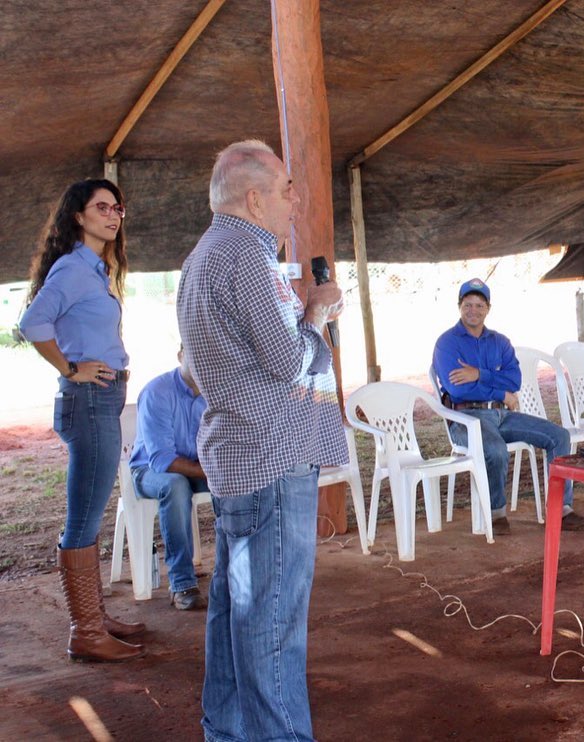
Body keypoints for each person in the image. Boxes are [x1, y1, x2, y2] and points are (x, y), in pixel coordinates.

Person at [177, 140, 347, 741]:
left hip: (244, 456)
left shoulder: (205, 256)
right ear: (254, 199)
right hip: (271, 461)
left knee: (236, 618)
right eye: (284, 191)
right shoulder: (246, 256)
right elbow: (284, 358)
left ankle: (224, 734)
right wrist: (319, 313)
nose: (294, 202)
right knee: (272, 627)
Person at [19, 179, 145, 663]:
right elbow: (32, 324)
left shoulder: (94, 270)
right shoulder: (73, 270)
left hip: (102, 399)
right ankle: (86, 631)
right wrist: (71, 368)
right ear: (78, 215)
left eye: (117, 207)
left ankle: (94, 617)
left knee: (90, 511)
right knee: (84, 516)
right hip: (88, 398)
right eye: (101, 207)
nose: (113, 215)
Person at [432, 278, 584, 534]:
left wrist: (479, 374)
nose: (473, 310)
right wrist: (500, 391)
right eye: (468, 305)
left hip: (502, 414)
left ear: (488, 308)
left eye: (479, 305)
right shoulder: (447, 342)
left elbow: (514, 380)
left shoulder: (500, 341)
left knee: (559, 436)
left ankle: (562, 509)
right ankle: (496, 515)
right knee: (495, 449)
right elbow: (458, 389)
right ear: (459, 306)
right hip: (467, 417)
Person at [128, 346, 208, 610]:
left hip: (197, 467)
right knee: (175, 485)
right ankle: (182, 582)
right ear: (181, 355)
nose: (202, 363)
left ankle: (237, 572)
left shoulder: (217, 391)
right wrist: (213, 471)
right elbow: (162, 461)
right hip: (149, 471)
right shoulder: (157, 392)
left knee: (238, 483)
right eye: (195, 354)